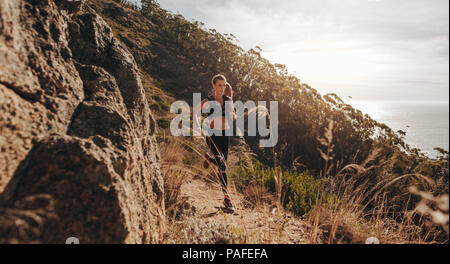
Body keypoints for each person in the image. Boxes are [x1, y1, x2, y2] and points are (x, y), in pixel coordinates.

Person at [192, 74, 236, 211]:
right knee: (222, 165)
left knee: (222, 163)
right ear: (214, 85)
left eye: (224, 85)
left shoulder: (228, 100)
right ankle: (227, 199)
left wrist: (232, 115)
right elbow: (195, 112)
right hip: (212, 135)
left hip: (225, 135)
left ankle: (210, 159)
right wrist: (198, 126)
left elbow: (233, 116)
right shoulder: (208, 100)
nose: (222, 88)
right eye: (219, 85)